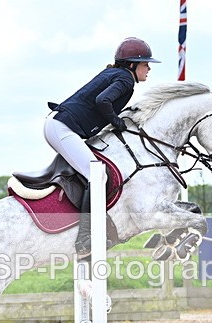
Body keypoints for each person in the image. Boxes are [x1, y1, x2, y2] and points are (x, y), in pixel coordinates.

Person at [44, 37, 160, 256]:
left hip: (60, 125)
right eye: (146, 63)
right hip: (62, 128)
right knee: (97, 175)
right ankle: (85, 238)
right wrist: (116, 121)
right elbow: (102, 101)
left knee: (94, 171)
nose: (149, 68)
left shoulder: (117, 74)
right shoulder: (126, 80)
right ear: (132, 65)